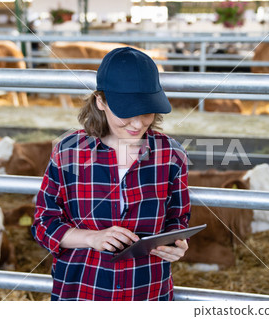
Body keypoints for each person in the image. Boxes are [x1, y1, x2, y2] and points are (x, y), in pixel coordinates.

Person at [31, 47, 191, 301]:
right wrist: (92, 238)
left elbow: (177, 218)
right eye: (126, 113)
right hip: (83, 290)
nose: (138, 124)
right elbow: (43, 224)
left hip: (147, 291)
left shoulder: (171, 154)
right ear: (101, 101)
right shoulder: (68, 151)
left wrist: (175, 245)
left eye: (147, 112)